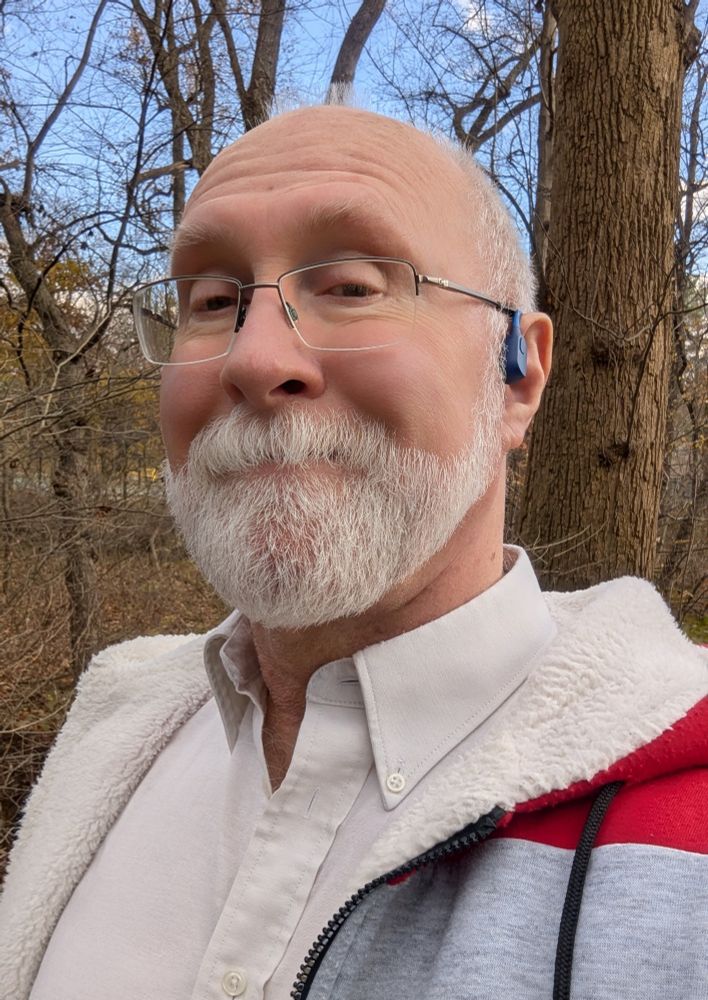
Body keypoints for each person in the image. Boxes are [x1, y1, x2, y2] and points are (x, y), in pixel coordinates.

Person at [1, 105, 706, 1000]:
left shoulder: (683, 837)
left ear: (519, 375)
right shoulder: (109, 742)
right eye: (211, 301)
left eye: (351, 286)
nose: (254, 359)